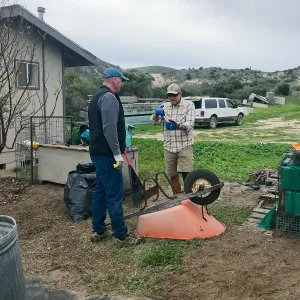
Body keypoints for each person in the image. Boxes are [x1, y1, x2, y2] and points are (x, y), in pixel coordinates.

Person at [88, 67, 139, 246]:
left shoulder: (96, 96)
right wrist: (117, 154)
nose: (122, 84)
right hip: (107, 154)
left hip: (97, 152)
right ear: (115, 80)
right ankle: (121, 235)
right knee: (115, 193)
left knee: (101, 190)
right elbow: (109, 128)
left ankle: (99, 229)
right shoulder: (109, 97)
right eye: (121, 81)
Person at [151, 83, 195, 194]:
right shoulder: (164, 106)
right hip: (169, 146)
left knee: (187, 174)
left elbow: (189, 124)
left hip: (184, 145)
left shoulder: (189, 105)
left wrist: (177, 126)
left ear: (180, 94)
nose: (171, 98)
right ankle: (178, 199)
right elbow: (154, 122)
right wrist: (156, 114)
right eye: (169, 95)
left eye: (174, 95)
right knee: (173, 175)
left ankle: (190, 199)